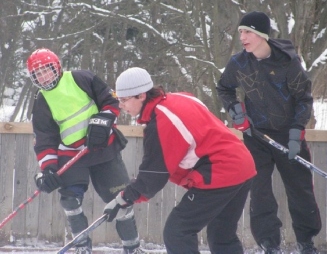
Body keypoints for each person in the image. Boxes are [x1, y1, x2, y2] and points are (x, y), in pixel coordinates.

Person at [102, 67, 257, 254]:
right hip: (242, 164)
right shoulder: (181, 97)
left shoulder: (162, 121)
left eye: (124, 99)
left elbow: (153, 175)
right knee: (222, 234)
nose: (121, 105)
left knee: (177, 232)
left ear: (141, 95)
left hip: (221, 171)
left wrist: (124, 198)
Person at [216, 11, 322, 254]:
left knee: (300, 189)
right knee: (260, 192)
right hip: (256, 136)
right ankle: (269, 244)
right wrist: (236, 112)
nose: (242, 37)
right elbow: (224, 88)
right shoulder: (239, 63)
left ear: (262, 35)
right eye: (241, 32)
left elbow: (303, 99)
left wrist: (297, 132)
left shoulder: (288, 62)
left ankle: (306, 242)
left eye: (248, 32)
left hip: (288, 135)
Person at [26, 48, 144, 254]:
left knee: (121, 199)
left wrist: (103, 120)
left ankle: (132, 248)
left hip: (102, 148)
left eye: (47, 70)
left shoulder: (81, 78)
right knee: (70, 200)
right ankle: (81, 247)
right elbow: (45, 140)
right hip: (71, 155)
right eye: (38, 74)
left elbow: (111, 100)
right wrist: (47, 169)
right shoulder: (41, 101)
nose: (44, 77)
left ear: (57, 67)